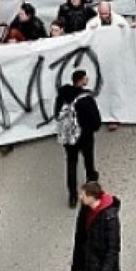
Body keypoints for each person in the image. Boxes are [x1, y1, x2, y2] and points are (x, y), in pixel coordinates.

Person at [54, 70, 103, 206]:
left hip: (69, 137)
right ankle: (91, 188)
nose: (87, 80)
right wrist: (91, 129)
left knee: (71, 163)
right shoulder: (86, 98)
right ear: (81, 80)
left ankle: (72, 196)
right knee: (88, 161)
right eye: (85, 78)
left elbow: (57, 114)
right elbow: (96, 121)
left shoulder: (62, 95)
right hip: (85, 136)